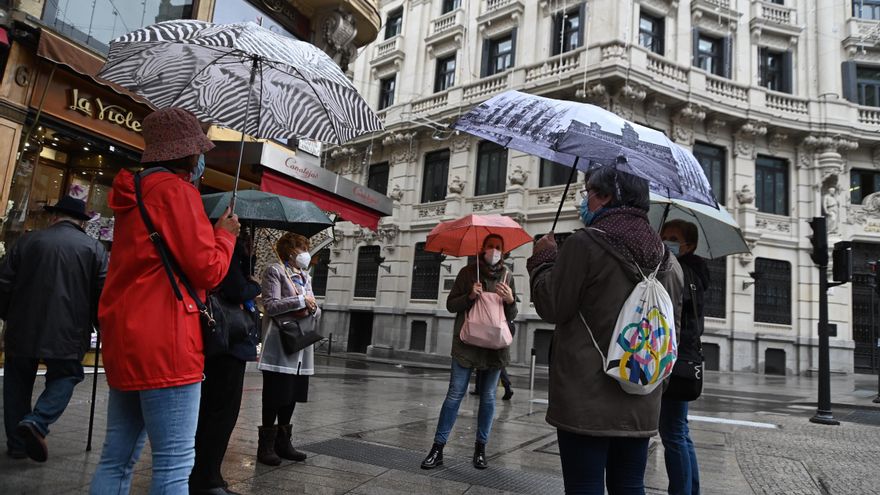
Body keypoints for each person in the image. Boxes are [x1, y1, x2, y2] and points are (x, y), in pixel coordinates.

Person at [90, 107, 240, 494]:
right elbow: (208, 271)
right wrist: (224, 235)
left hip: (126, 337)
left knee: (117, 458)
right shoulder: (178, 192)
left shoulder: (134, 192)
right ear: (189, 154)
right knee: (174, 464)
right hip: (167, 343)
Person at [527, 167, 683, 494]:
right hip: (641, 393)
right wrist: (653, 385)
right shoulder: (669, 260)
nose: (585, 200)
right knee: (629, 486)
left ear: (607, 196)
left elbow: (553, 306)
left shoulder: (585, 244)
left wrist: (542, 262)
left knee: (584, 486)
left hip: (585, 400)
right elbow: (672, 333)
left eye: (589, 193)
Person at [0, 195, 108, 462]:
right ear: (81, 223)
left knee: (17, 381)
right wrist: (98, 324)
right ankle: (38, 421)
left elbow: (3, 281)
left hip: (22, 325)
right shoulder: (93, 248)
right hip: (69, 329)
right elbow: (104, 293)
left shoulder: (28, 241)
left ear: (54, 217)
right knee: (67, 375)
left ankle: (17, 445)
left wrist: (7, 315)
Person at [421, 234, 517, 471]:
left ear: (503, 252)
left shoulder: (508, 276)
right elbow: (451, 305)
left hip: (494, 349)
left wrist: (510, 300)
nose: (494, 251)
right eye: (490, 246)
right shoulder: (467, 273)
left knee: (488, 398)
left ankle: (480, 449)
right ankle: (438, 448)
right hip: (466, 344)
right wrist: (470, 296)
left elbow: (511, 316)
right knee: (454, 395)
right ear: (482, 248)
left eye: (498, 247)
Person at [190, 230, 261, 495]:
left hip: (225, 341)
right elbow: (236, 290)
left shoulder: (231, 253)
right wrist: (254, 285)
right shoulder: (227, 252)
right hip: (228, 342)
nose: (249, 237)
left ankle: (207, 475)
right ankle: (207, 478)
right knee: (220, 413)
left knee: (214, 411)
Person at [256, 232, 319, 466]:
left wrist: (313, 307)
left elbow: (314, 305)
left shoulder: (305, 276)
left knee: (291, 394)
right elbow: (270, 305)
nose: (305, 252)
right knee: (274, 394)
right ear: (291, 252)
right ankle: (266, 446)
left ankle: (284, 443)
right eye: (301, 247)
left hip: (301, 345)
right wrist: (302, 302)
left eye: (306, 247)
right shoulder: (275, 271)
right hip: (280, 342)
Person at [659, 220, 709, 495]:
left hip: (676, 357)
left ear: (689, 245)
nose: (667, 241)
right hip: (685, 356)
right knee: (679, 431)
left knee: (673, 434)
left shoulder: (682, 270)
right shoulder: (694, 270)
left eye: (674, 238)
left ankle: (681, 491)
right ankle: (691, 490)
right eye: (664, 236)